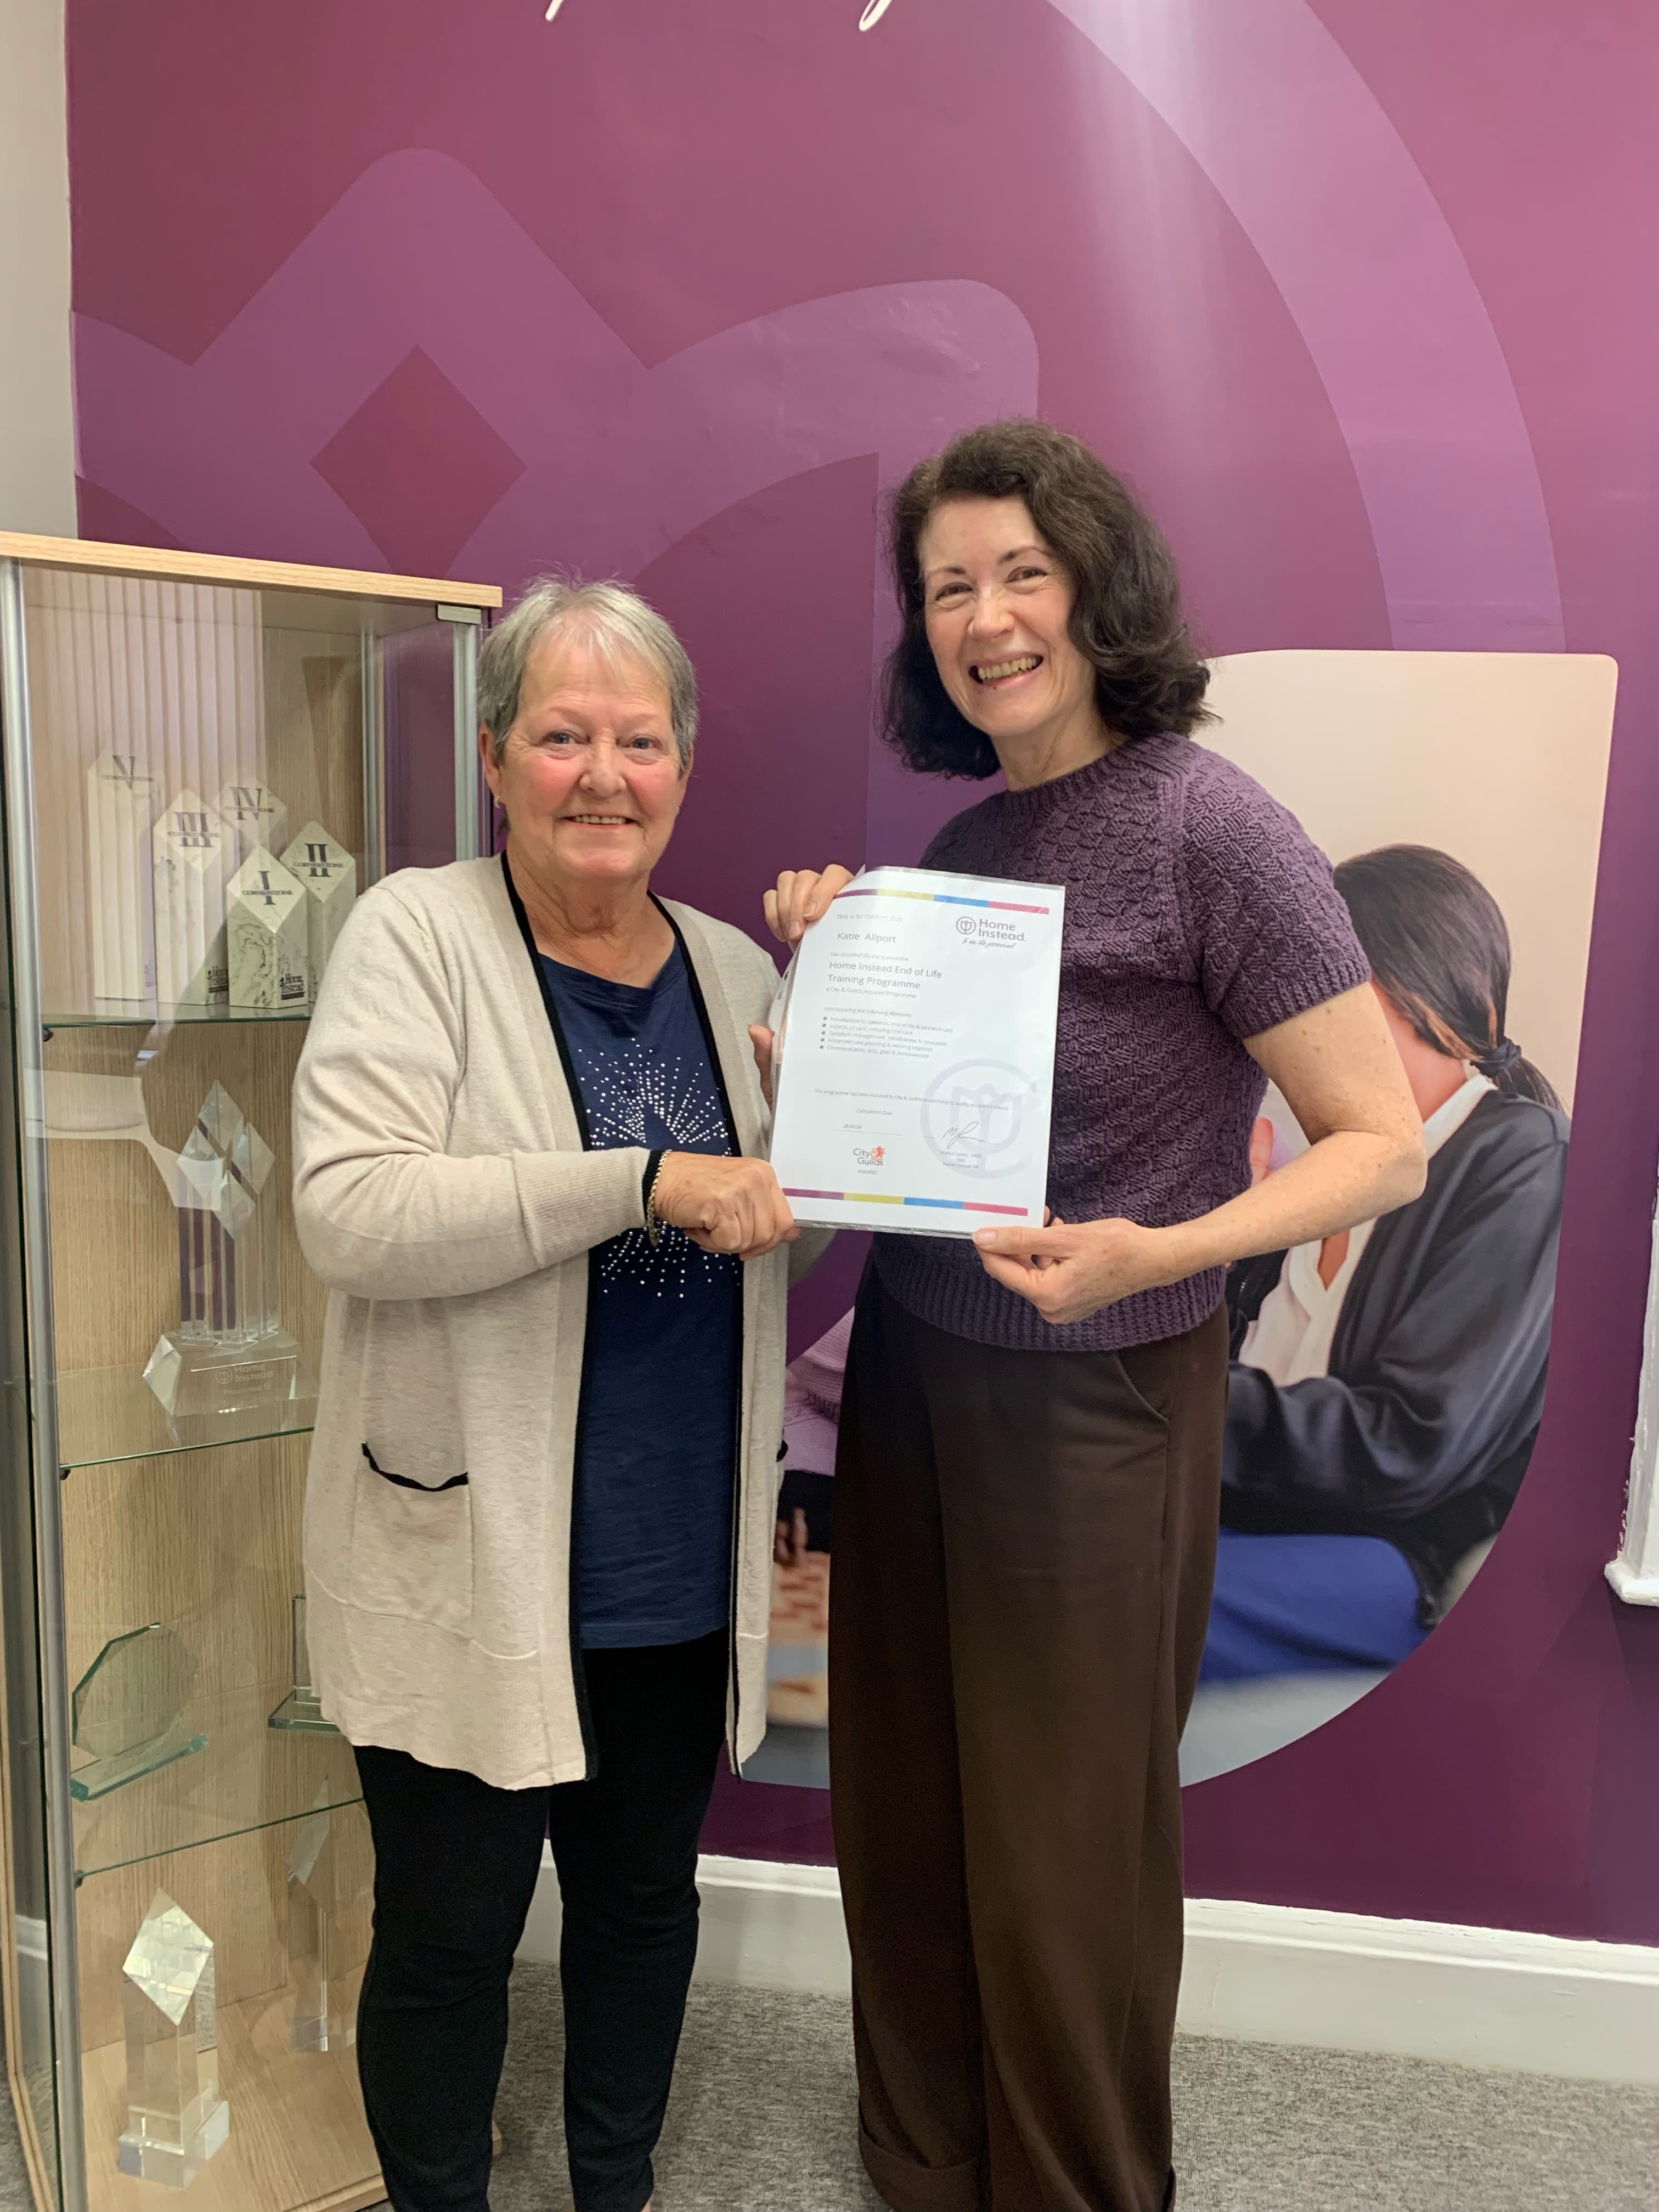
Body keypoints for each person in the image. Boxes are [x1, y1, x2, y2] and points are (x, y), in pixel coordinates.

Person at [764, 419, 1425, 2212]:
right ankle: (926, 2160)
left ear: (1096, 590)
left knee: (1063, 1845)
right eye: (947, 588)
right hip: (912, 1367)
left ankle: (1074, 2187)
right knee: (905, 1797)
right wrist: (822, 1017)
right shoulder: (964, 842)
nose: (986, 618)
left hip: (1103, 1392)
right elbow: (901, 1148)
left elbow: (1378, 1145)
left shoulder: (1217, 828)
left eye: (1021, 574)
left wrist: (1165, 1249)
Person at [292, 578, 824, 2212]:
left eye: (640, 742)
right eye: (562, 737)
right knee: (449, 1936)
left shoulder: (737, 969)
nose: (604, 776)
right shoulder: (415, 934)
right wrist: (639, 1179)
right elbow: (349, 1209)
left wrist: (842, 1032)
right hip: (473, 1556)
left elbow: (791, 1215)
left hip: (672, 1558)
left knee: (642, 1906)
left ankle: (616, 2184)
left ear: (684, 769)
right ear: (493, 758)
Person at [1209, 844, 1571, 1679]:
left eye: (1317, 988)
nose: (1284, 1021)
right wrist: (1216, 1258)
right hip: (1245, 1519)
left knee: (1095, 1597)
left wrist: (1176, 1397)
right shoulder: (1324, 1168)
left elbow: (1411, 1445)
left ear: (1425, 991)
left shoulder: (1523, 1159)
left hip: (1385, 1553)